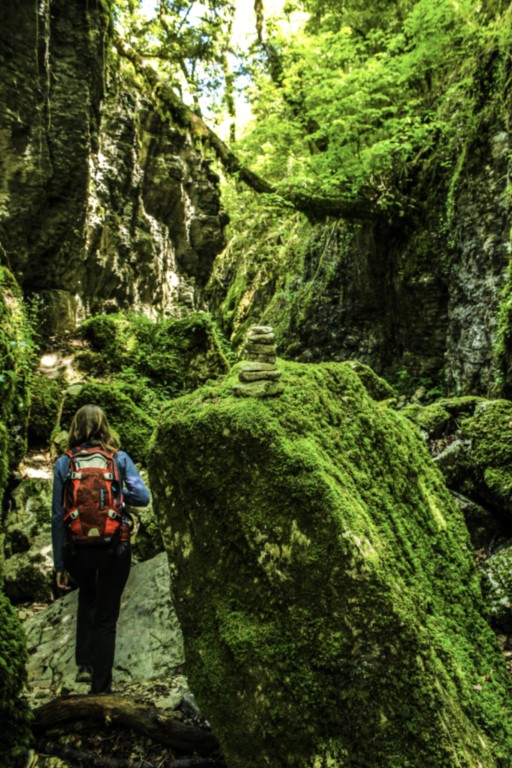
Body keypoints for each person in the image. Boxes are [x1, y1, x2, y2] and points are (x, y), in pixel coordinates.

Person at [52, 404, 150, 694]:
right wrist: (119, 494)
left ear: (75, 428)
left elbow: (58, 517)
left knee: (87, 594)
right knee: (106, 617)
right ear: (105, 427)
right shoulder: (118, 459)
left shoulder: (64, 463)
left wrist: (59, 565)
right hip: (114, 547)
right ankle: (100, 689)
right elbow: (143, 497)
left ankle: (83, 664)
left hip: (77, 551)